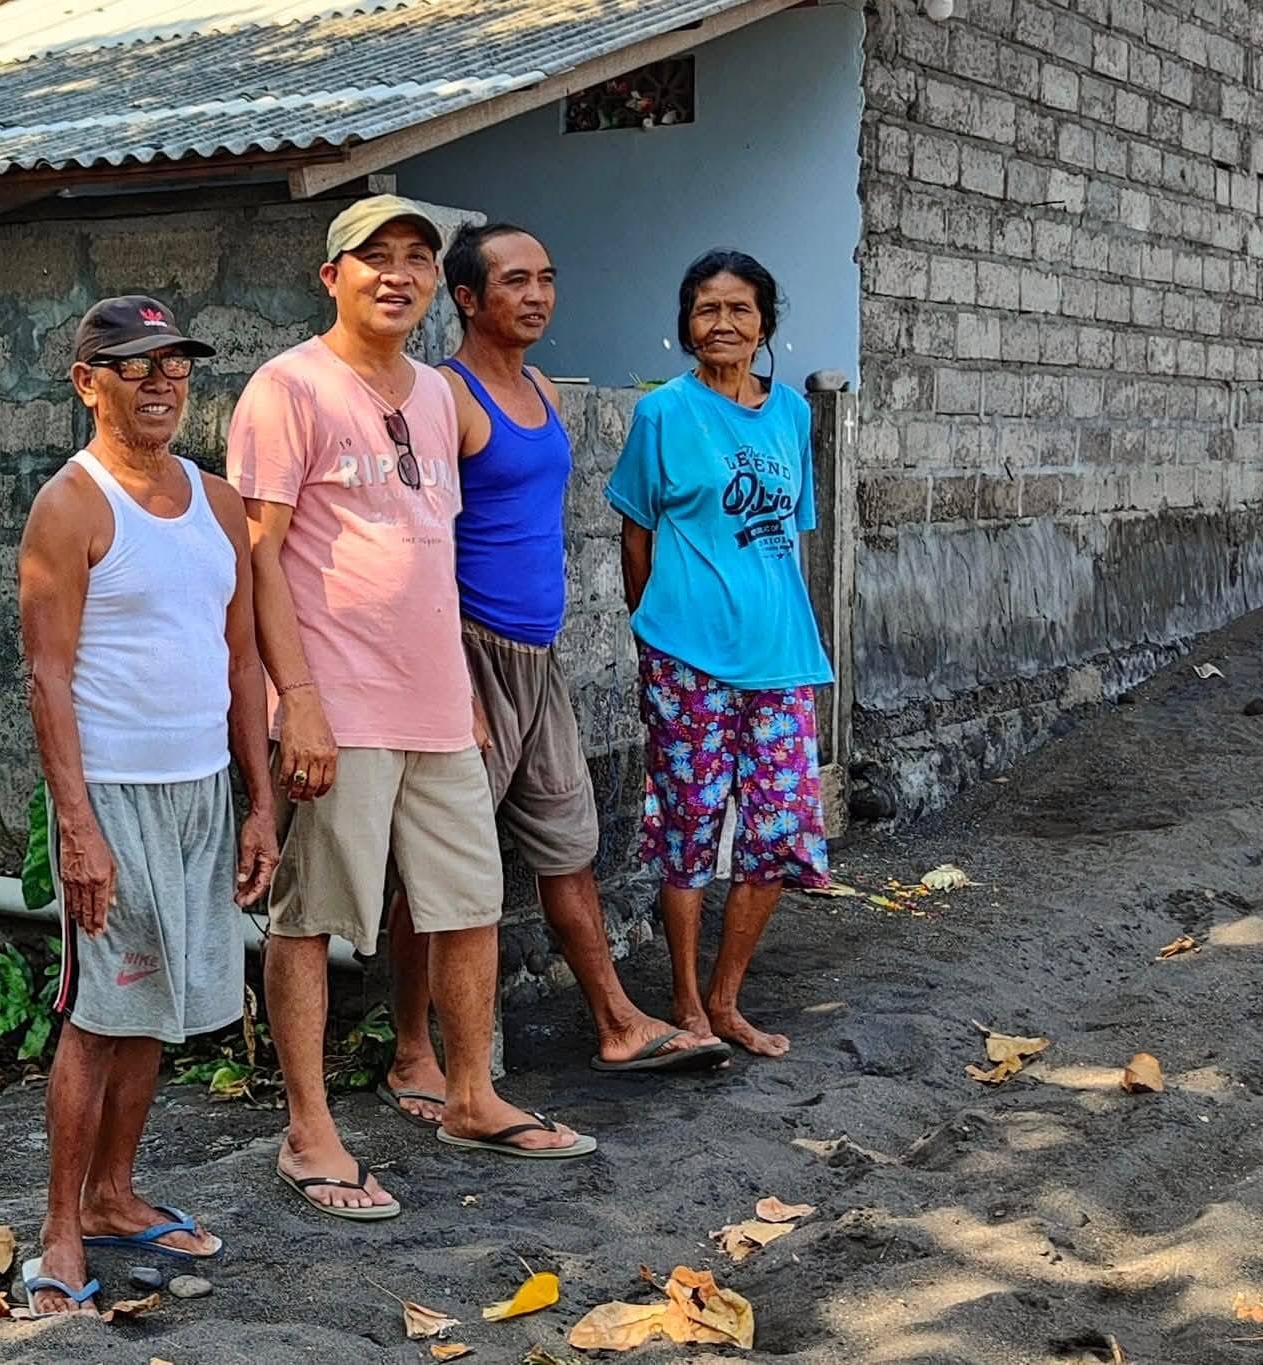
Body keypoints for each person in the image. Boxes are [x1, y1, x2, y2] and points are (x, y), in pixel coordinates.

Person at [229, 196, 595, 1221]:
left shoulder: (437, 396)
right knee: (310, 920)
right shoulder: (287, 388)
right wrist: (293, 698)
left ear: (434, 283)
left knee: (469, 901)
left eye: (414, 261)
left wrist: (462, 696)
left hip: (440, 702)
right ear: (331, 276)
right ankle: (307, 1132)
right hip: (335, 706)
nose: (396, 275)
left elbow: (433, 554)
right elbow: (257, 561)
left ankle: (471, 1094)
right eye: (373, 258)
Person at [376, 225, 732, 1120]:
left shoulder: (539, 389)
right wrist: (453, 673)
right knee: (431, 872)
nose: (537, 295)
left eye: (547, 278)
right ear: (465, 297)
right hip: (469, 654)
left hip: (539, 659)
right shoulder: (445, 398)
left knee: (568, 849)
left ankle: (616, 1019)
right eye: (515, 281)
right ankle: (414, 1050)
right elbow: (419, 549)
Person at [17, 295, 279, 1313]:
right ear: (88, 384)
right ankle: (57, 1230)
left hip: (201, 792)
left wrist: (259, 803)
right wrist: (75, 826)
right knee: (98, 1011)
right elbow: (46, 675)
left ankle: (116, 1195)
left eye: (173, 365)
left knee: (157, 1006)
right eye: (134, 368)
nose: (161, 382)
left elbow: (241, 655)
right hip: (112, 795)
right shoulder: (71, 506)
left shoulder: (217, 503)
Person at [604, 250, 833, 1059]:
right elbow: (635, 530)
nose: (723, 324)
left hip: (779, 653)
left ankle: (730, 997)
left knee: (776, 828)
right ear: (685, 325)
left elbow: (784, 537)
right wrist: (651, 626)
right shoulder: (663, 415)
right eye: (707, 310)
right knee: (689, 827)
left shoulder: (792, 417)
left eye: (739, 309)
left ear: (764, 323)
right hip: (685, 654)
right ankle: (686, 1001)